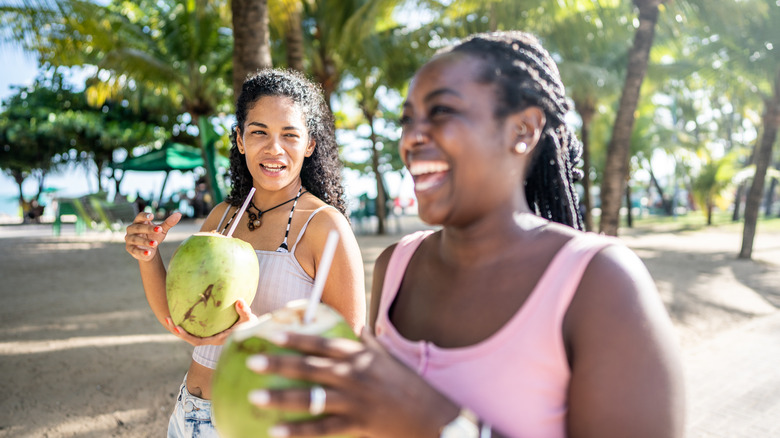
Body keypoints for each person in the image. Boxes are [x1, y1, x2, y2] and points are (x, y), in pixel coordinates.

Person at [243, 31, 685, 438]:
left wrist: (441, 423)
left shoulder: (599, 282)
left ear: (522, 130)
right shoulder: (397, 266)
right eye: (408, 119)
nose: (413, 138)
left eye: (441, 112)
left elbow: (409, 416)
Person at [124, 68, 366, 438]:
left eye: (290, 135)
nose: (274, 148)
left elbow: (348, 353)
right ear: (239, 140)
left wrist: (261, 334)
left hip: (260, 425)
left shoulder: (324, 226)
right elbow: (181, 321)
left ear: (310, 144)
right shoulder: (223, 218)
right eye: (258, 132)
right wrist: (148, 256)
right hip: (190, 413)